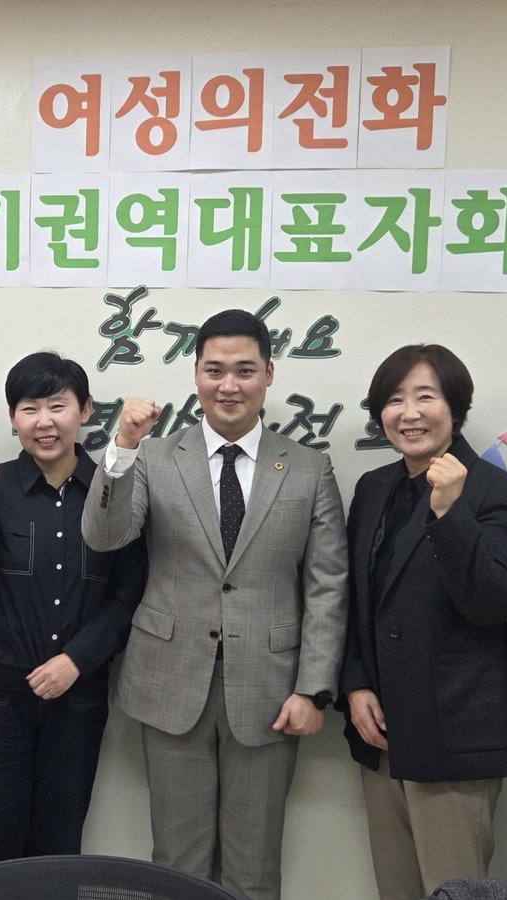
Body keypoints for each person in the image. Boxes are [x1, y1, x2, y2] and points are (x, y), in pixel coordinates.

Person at [81, 309, 348, 900]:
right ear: (196, 374)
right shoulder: (154, 457)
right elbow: (105, 536)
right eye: (215, 370)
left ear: (269, 375)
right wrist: (122, 447)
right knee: (177, 865)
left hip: (272, 689)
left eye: (245, 371)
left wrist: (313, 688)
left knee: (255, 868)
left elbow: (327, 584)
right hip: (170, 681)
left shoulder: (308, 467)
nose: (229, 385)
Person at [339, 345, 507, 900]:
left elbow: (493, 604)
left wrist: (450, 512)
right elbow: (356, 599)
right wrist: (355, 683)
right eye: (395, 400)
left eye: (426, 397)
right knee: (396, 889)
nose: (410, 413)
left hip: (454, 735)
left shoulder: (493, 488)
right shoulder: (375, 487)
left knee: (453, 890)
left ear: (456, 407)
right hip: (382, 732)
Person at [0, 351, 147, 865]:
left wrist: (77, 659)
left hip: (77, 699)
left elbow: (128, 593)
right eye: (29, 408)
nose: (44, 422)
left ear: (86, 411)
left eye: (57, 406)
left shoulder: (116, 490)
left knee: (59, 847)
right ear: (13, 417)